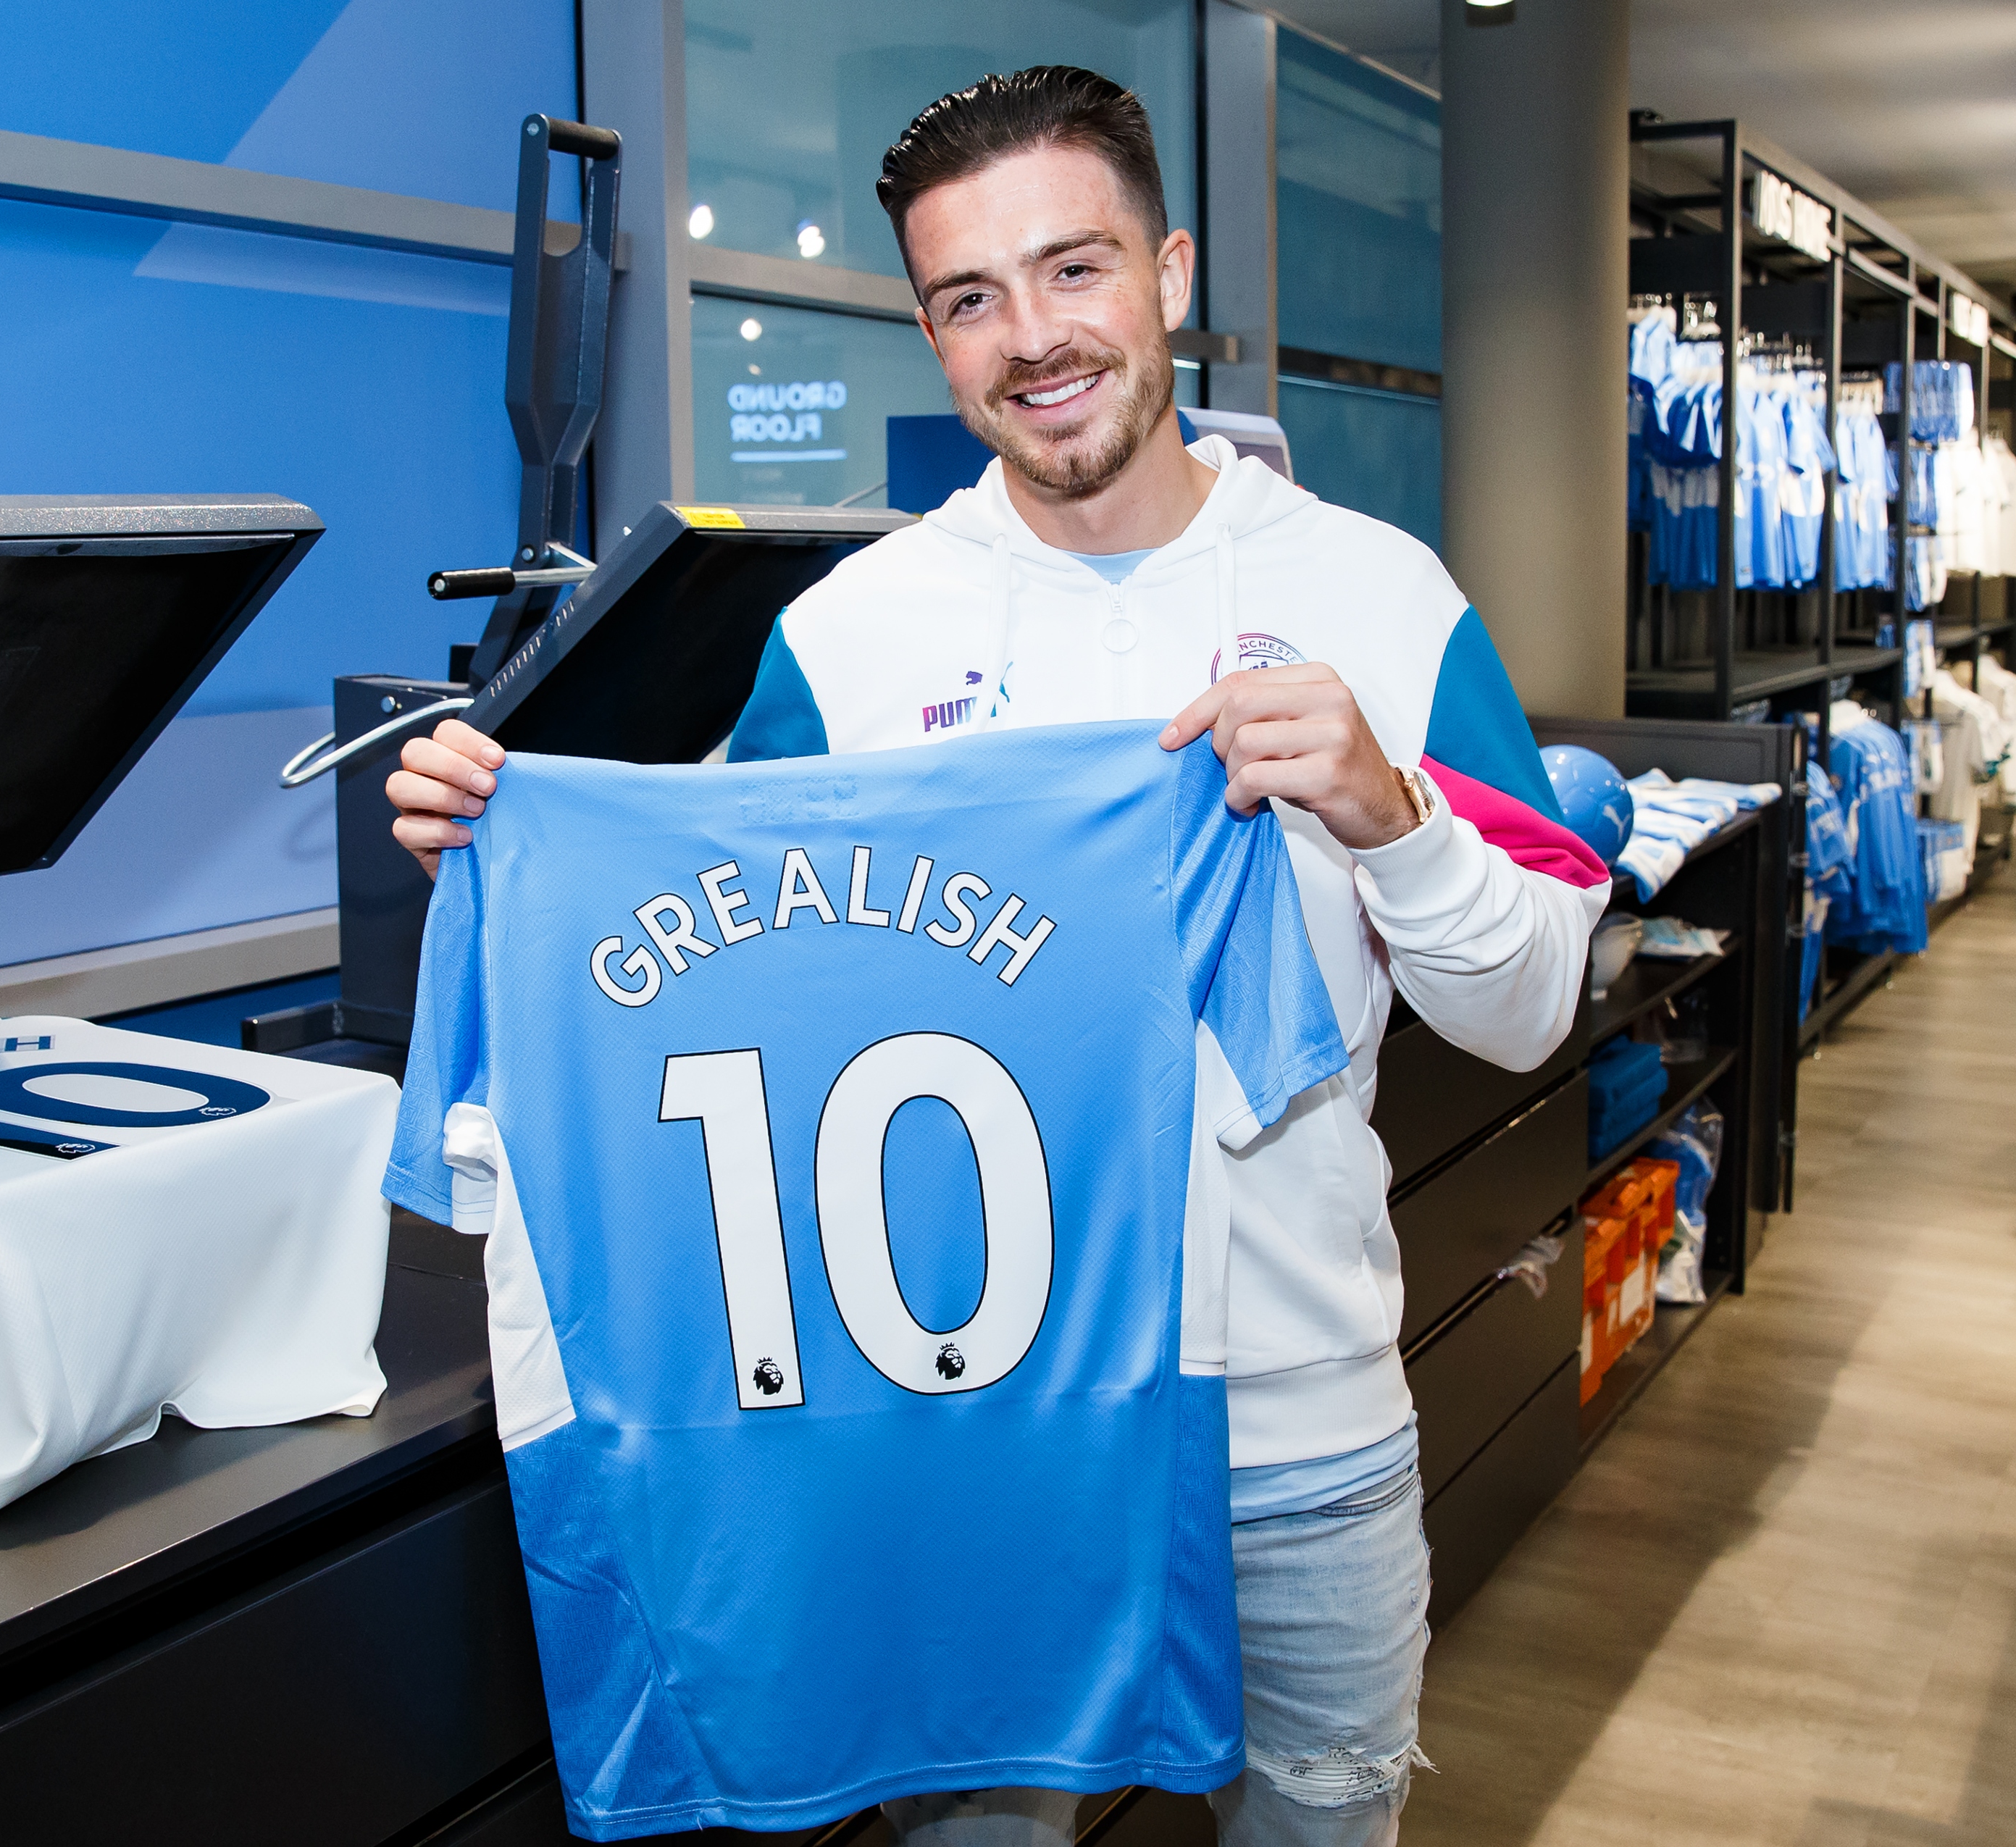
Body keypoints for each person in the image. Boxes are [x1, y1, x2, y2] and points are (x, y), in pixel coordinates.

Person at [389, 65, 1605, 1847]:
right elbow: (706, 972)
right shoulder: (846, 638)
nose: (1030, 337)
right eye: (969, 297)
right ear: (928, 330)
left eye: (1074, 269)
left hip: (1291, 1422)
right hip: (966, 1441)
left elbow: (1524, 1014)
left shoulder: (1385, 597)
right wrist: (508, 840)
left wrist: (1390, 809)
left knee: (1328, 1821)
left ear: (1170, 275)